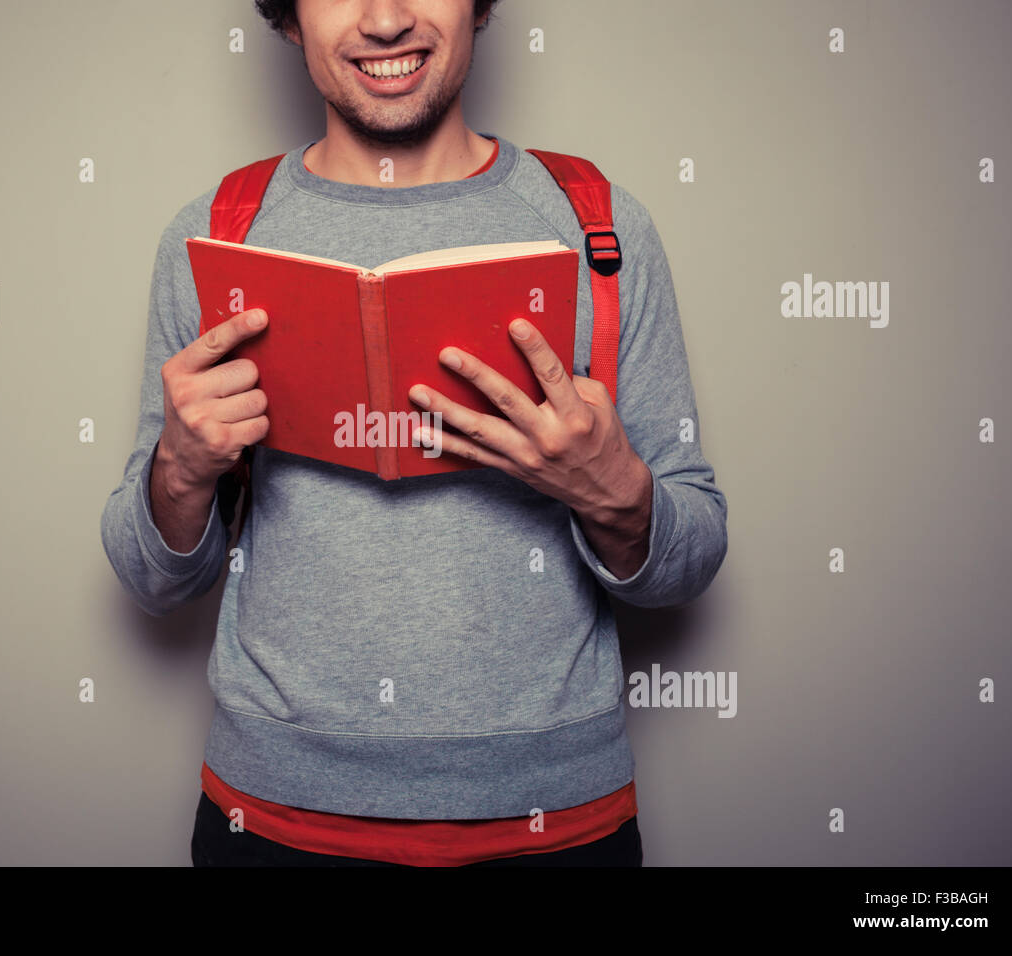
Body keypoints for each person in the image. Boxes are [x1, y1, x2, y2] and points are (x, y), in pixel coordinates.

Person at [100, 0, 727, 867]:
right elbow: (149, 580)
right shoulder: (215, 234)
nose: (386, 18)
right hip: (274, 820)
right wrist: (181, 469)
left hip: (557, 822)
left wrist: (611, 489)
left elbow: (693, 561)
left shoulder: (601, 229)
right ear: (287, 17)